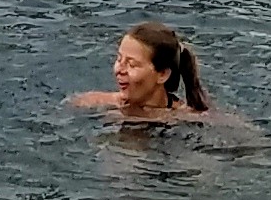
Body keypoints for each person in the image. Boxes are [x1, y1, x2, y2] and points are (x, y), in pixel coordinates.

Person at [71, 19, 218, 123]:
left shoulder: (185, 118)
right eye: (119, 59)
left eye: (132, 64)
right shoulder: (97, 102)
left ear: (162, 75)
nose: (119, 70)